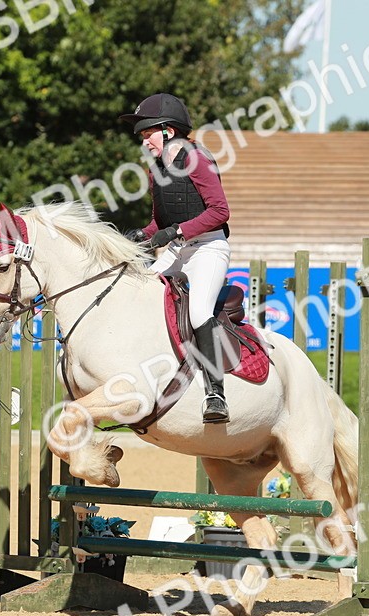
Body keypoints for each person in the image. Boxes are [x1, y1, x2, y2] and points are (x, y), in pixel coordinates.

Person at [119, 93, 232, 424]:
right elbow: (160, 221)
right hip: (178, 250)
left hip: (209, 248)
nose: (145, 142)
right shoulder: (156, 169)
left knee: (198, 312)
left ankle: (215, 394)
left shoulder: (198, 160)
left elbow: (220, 211)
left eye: (147, 134)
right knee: (142, 293)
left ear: (168, 130)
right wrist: (141, 234)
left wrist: (177, 231)